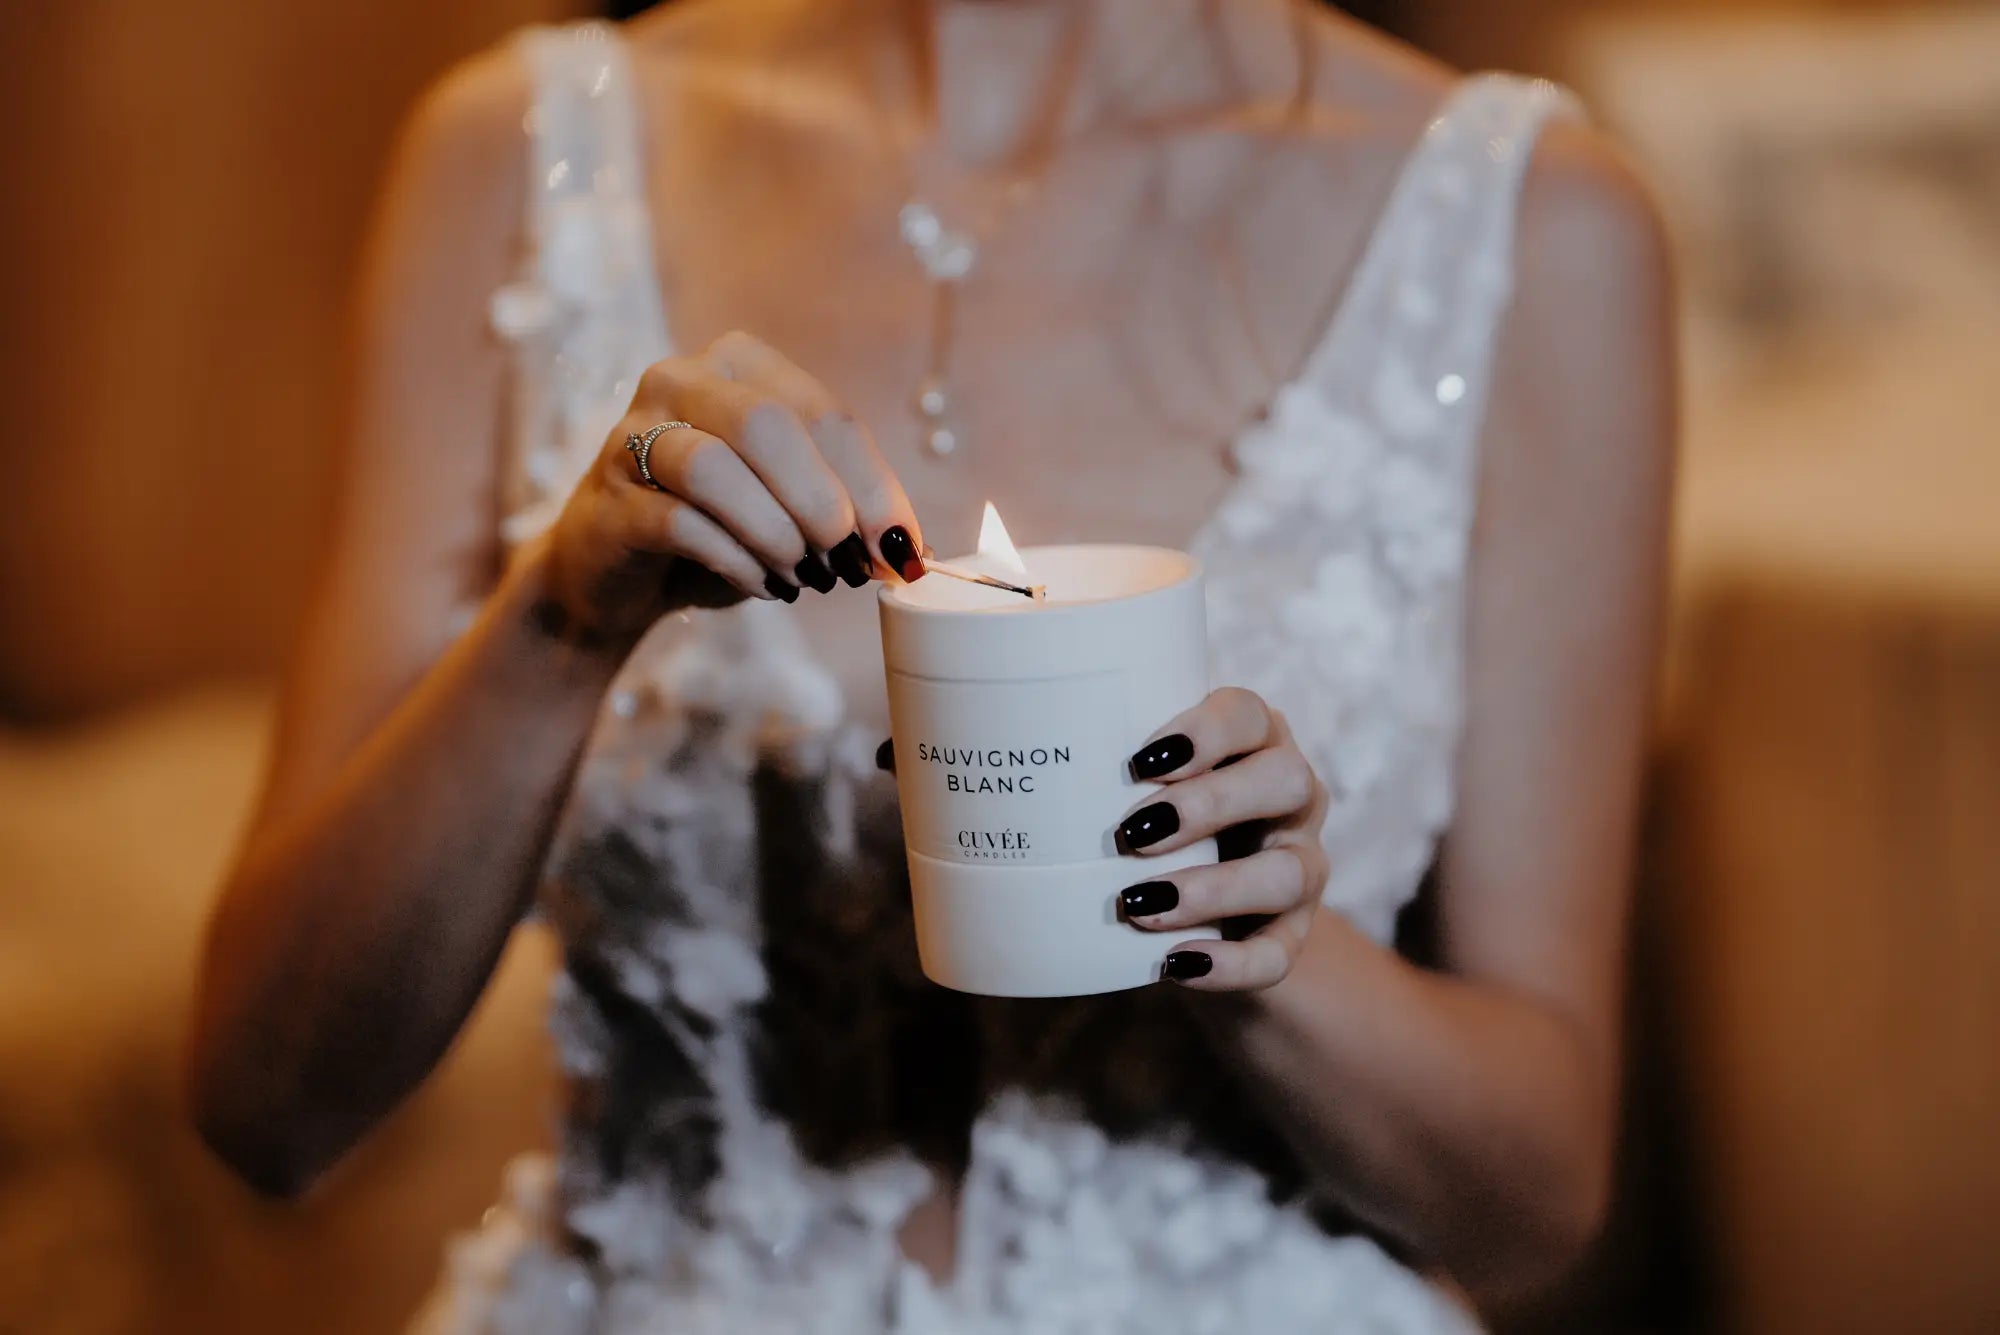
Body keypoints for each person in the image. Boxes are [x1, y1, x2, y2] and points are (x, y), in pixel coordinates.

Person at [187, 0, 1674, 1329]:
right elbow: (269, 1106)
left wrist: (1245, 940)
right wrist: (561, 623)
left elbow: (1534, 1201)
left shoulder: (1529, 221)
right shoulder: (522, 153)